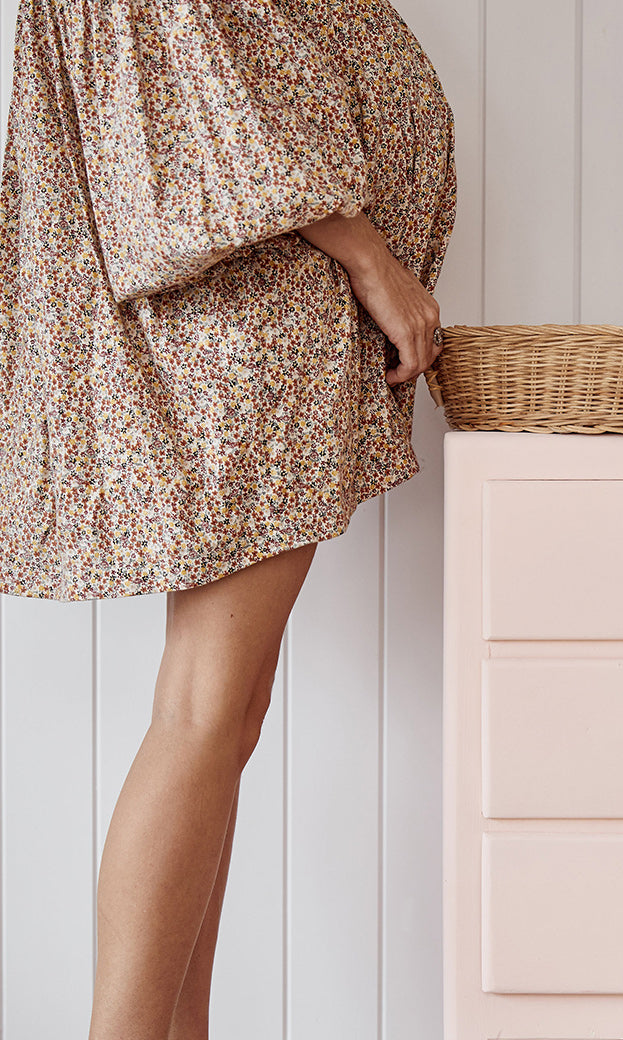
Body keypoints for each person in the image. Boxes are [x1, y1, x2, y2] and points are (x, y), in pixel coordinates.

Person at [0, 0, 455, 1035]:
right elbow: (213, 94)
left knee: (224, 712)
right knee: (206, 708)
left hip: (265, 311)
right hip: (249, 315)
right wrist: (370, 258)